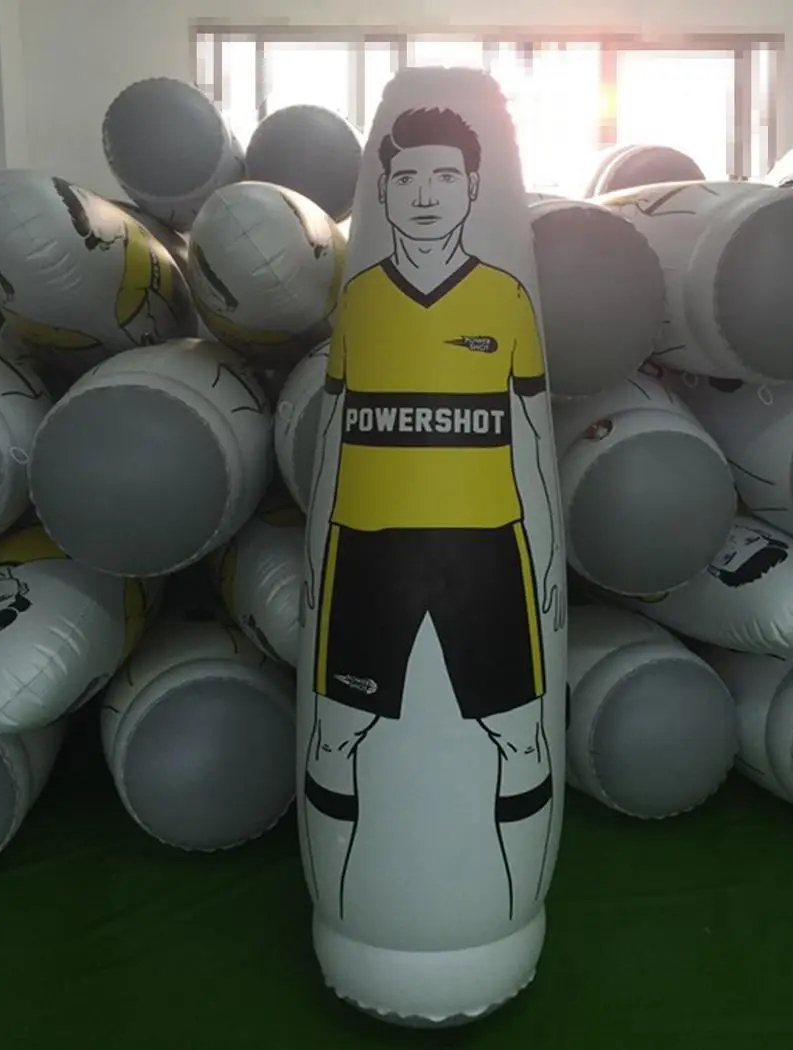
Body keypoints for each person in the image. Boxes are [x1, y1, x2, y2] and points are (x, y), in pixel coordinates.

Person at [301, 106, 563, 923]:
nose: (425, 195)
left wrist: (546, 553)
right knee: (337, 732)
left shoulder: (505, 297)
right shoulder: (362, 299)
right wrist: (314, 561)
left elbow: (530, 438)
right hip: (368, 552)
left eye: (445, 176)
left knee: (518, 734)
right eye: (407, 178)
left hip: (484, 552)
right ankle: (347, 911)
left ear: (473, 188)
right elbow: (335, 435)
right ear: (382, 191)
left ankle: (511, 911)